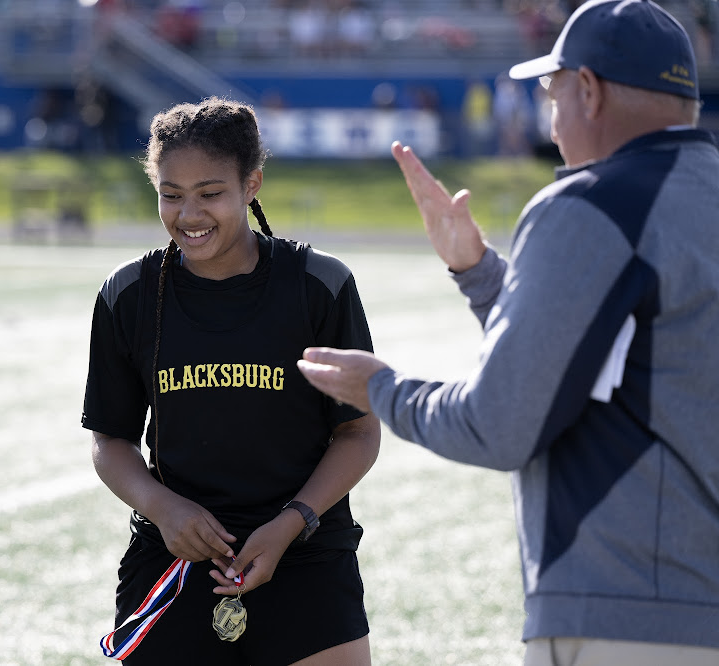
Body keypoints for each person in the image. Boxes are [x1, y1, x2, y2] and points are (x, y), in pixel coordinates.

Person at [297, 1, 719, 664]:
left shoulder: (591, 204)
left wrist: (380, 388)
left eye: (552, 92)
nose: (550, 115)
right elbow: (606, 363)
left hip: (628, 613)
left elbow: (499, 424)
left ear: (588, 90)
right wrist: (480, 273)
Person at [82, 97, 380, 665]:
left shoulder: (320, 285)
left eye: (210, 193)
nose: (189, 215)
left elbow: (359, 434)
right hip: (174, 558)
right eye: (171, 195)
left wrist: (291, 523)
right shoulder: (128, 293)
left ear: (252, 185)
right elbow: (110, 440)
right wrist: (164, 509)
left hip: (307, 555)